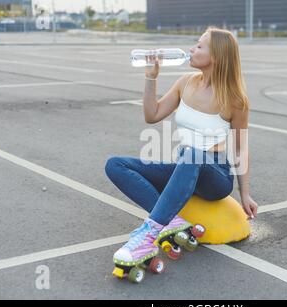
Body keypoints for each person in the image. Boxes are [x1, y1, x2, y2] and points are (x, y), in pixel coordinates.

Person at [105, 27, 258, 266]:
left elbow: (240, 149)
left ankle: (149, 234)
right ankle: (173, 222)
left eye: (199, 46)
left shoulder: (235, 99)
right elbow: (152, 115)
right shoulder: (185, 82)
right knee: (115, 165)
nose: (191, 49)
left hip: (215, 176)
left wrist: (245, 194)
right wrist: (151, 77)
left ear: (216, 56)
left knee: (191, 153)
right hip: (185, 167)